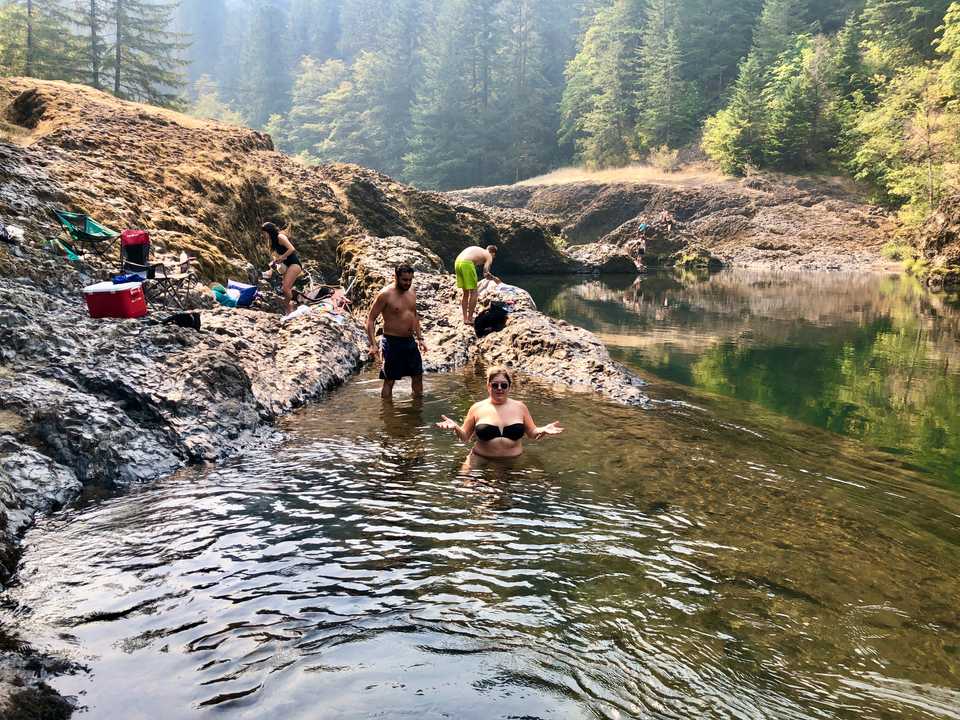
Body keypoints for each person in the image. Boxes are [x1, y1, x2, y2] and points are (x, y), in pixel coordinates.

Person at [435, 366, 563, 465]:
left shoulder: (520, 407)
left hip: (514, 461)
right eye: (495, 385)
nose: (499, 388)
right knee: (466, 487)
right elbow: (465, 438)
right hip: (480, 459)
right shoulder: (477, 408)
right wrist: (455, 427)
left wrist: (543, 430)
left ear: (509, 387)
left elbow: (532, 433)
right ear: (488, 386)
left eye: (503, 385)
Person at [366, 264, 427, 400]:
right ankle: (388, 414)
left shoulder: (412, 291)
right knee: (390, 380)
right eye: (404, 280)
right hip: (392, 342)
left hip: (410, 342)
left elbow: (414, 315)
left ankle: (417, 410)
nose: (408, 283)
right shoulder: (385, 295)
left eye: (410, 280)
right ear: (396, 277)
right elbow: (370, 320)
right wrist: (373, 344)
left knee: (417, 376)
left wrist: (420, 338)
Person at [261, 221, 302, 313]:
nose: (264, 235)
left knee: (285, 288)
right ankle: (290, 308)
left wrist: (282, 257)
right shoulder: (272, 241)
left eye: (264, 233)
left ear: (269, 231)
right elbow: (277, 256)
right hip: (286, 266)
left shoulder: (280, 237)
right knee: (286, 289)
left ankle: (289, 310)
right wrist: (274, 262)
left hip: (294, 264)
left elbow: (292, 249)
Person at [454, 245, 500, 324]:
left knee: (465, 293)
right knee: (474, 292)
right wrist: (496, 279)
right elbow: (486, 273)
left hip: (457, 262)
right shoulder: (489, 255)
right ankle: (470, 318)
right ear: (493, 253)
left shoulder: (480, 250)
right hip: (467, 264)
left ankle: (465, 318)